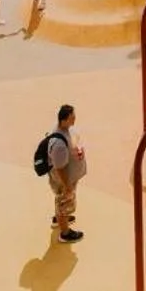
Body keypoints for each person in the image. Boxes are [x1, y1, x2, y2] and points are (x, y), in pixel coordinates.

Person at [44, 104, 86, 243]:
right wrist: (67, 185)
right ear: (64, 120)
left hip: (65, 178)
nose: (74, 120)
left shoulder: (61, 131)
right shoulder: (59, 144)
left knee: (61, 199)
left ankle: (60, 219)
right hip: (64, 180)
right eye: (72, 118)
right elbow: (59, 168)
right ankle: (65, 232)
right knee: (64, 201)